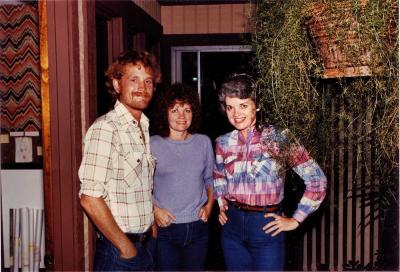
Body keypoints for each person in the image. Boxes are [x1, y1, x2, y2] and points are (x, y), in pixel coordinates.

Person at [213, 73, 327, 271]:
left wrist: (296, 219)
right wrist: (222, 203)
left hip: (266, 227)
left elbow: (317, 179)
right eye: (230, 107)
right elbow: (218, 175)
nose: (236, 114)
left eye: (243, 105)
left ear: (256, 106)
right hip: (232, 230)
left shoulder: (279, 139)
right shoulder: (222, 142)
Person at [78, 50, 161, 271]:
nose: (142, 88)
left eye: (148, 81)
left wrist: (150, 221)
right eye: (133, 80)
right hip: (118, 254)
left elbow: (137, 185)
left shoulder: (142, 125)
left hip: (145, 245)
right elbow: (89, 198)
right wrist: (125, 247)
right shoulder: (106, 129)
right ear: (117, 85)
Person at [151, 83, 215, 271]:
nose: (181, 116)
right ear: (165, 113)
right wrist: (154, 209)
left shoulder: (203, 142)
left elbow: (209, 179)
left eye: (187, 110)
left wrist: (210, 206)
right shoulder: (152, 144)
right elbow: (140, 186)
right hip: (166, 228)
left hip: (198, 228)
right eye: (175, 110)